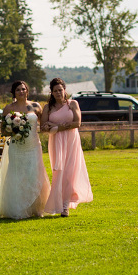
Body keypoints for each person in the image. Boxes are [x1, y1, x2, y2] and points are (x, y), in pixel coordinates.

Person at [0, 80, 50, 219]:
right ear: (14, 92)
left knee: (34, 174)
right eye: (18, 90)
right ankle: (18, 208)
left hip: (33, 146)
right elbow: (3, 131)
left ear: (27, 91)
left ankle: (36, 209)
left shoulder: (36, 106)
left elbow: (43, 126)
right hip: (17, 148)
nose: (21, 92)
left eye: (23, 89)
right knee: (17, 175)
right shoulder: (8, 109)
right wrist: (14, 129)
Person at [41, 78, 93, 217]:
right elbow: (43, 126)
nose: (58, 93)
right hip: (56, 142)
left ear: (65, 90)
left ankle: (65, 206)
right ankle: (56, 203)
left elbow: (77, 123)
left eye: (60, 90)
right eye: (55, 91)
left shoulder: (72, 104)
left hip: (71, 140)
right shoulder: (48, 108)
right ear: (51, 93)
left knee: (70, 172)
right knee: (59, 171)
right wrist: (48, 127)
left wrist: (58, 127)